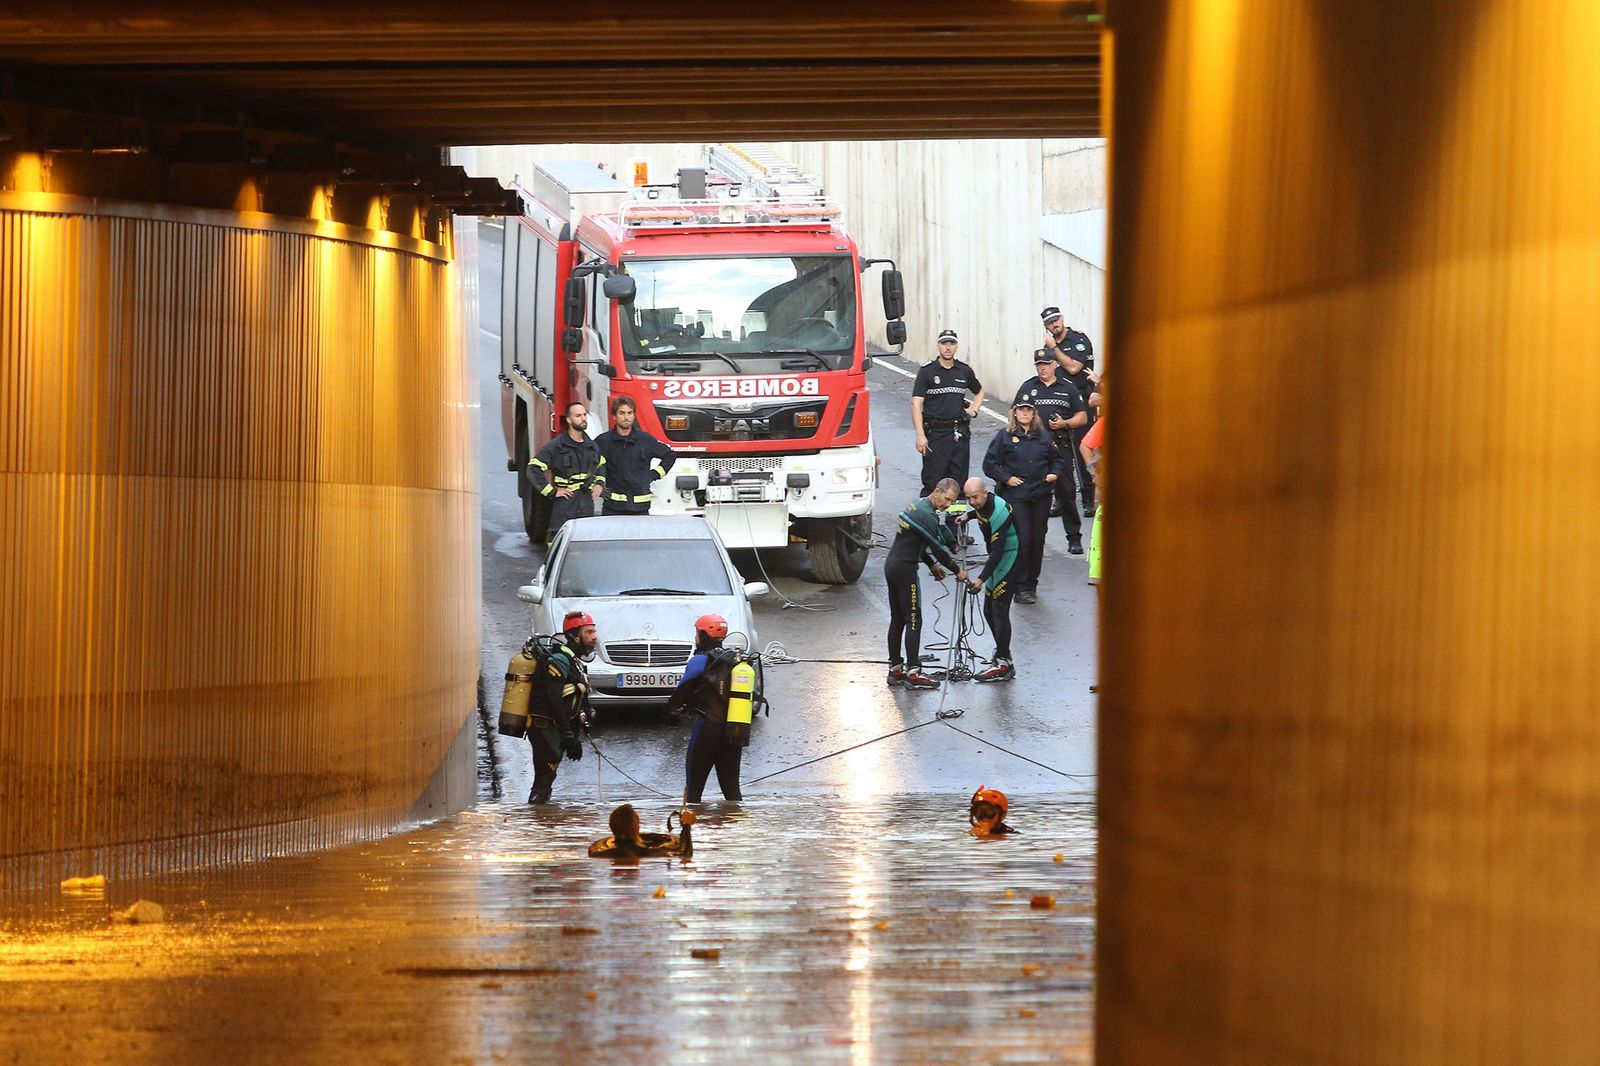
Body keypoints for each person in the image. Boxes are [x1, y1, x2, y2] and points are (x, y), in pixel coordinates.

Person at [884, 478, 968, 689]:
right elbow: (937, 547)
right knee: (914, 620)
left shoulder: (919, 504)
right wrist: (957, 570)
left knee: (898, 619)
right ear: (937, 492)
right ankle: (913, 672)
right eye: (947, 499)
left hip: (892, 565)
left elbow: (917, 540)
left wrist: (931, 565)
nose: (948, 505)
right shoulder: (927, 514)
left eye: (952, 501)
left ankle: (895, 669)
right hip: (905, 571)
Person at [982, 398, 1064, 605]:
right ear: (1015, 413)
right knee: (1023, 540)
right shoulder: (1005, 436)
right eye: (1021, 410)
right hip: (1017, 496)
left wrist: (1054, 473)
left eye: (1029, 410)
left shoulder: (1044, 436)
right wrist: (1006, 477)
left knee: (1038, 540)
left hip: (1040, 494)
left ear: (1034, 413)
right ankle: (1020, 587)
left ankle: (1031, 583)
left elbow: (1057, 459)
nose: (1025, 413)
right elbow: (990, 463)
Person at [670, 614, 758, 803]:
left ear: (702, 634)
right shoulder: (735, 660)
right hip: (735, 729)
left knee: (694, 790)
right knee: (732, 791)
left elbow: (683, 689)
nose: (695, 638)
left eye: (697, 633)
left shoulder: (701, 660)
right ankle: (734, 827)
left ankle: (692, 828)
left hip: (708, 728)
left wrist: (674, 708)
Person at [1014, 348, 1090, 554]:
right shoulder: (1028, 387)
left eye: (1046, 364)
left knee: (1066, 492)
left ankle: (1074, 537)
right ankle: (1029, 539)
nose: (1042, 368)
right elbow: (1014, 415)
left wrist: (1065, 422)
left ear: (1055, 364)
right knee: (1031, 493)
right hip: (1033, 449)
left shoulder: (1068, 388)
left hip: (1060, 447)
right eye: (1039, 365)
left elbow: (1082, 417)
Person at [527, 610, 598, 804]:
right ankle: (537, 823)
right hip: (545, 728)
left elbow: (573, 699)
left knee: (546, 779)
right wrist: (568, 735)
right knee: (544, 779)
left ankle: (540, 823)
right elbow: (554, 699)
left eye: (594, 632)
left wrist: (575, 731)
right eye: (588, 632)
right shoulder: (559, 660)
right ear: (573, 635)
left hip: (554, 728)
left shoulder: (573, 661)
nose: (594, 637)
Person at [911, 329, 986, 495]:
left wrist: (973, 410)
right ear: (938, 346)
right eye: (944, 343)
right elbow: (916, 404)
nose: (948, 347)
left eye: (951, 343)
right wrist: (920, 435)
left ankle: (956, 520)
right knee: (933, 481)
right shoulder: (927, 372)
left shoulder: (964, 371)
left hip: (959, 434)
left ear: (956, 347)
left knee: (958, 482)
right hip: (935, 434)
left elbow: (980, 391)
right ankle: (931, 519)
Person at [960, 477, 1020, 682]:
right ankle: (1002, 653)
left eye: (974, 497)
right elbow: (979, 511)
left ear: (985, 493)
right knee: (988, 610)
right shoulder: (983, 503)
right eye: (968, 498)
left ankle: (1004, 664)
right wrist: (968, 516)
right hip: (998, 559)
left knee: (999, 610)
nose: (972, 502)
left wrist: (981, 579)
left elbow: (996, 552)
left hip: (1009, 557)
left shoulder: (999, 512)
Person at [1041, 307, 1098, 518]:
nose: (1054, 324)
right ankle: (1061, 499)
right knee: (1059, 453)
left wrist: (1054, 349)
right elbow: (1048, 370)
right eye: (1049, 323)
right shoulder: (1049, 346)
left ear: (1062, 319)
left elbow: (1074, 368)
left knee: (1083, 449)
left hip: (1081, 400)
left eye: (1056, 320)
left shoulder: (1078, 340)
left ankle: (1088, 498)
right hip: (1059, 400)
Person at [528, 401, 601, 542]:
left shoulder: (591, 446)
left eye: (584, 415)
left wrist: (599, 483)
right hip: (565, 506)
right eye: (578, 415)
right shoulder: (557, 446)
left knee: (585, 543)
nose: (583, 418)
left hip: (586, 505)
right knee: (558, 541)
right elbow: (533, 468)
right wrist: (552, 492)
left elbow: (601, 464)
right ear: (568, 420)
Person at [593, 395, 676, 516]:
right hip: (613, 508)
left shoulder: (645, 440)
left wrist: (654, 474)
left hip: (640, 508)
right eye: (621, 413)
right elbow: (590, 463)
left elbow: (670, 455)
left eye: (629, 413)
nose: (626, 417)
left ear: (634, 415)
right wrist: (598, 483)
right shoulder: (603, 441)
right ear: (614, 416)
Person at [588, 804, 695, 859]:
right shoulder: (654, 852)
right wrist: (686, 826)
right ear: (636, 828)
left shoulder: (598, 852)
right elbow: (685, 853)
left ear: (611, 827)